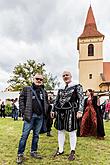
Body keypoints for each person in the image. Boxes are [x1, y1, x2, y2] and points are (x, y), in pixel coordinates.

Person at [51, 71, 84, 161]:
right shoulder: (61, 88)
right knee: (60, 131)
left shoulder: (77, 86)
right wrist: (53, 110)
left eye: (67, 75)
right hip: (60, 111)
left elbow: (81, 99)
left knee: (72, 131)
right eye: (63, 75)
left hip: (72, 111)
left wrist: (80, 110)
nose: (65, 77)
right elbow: (56, 99)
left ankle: (72, 151)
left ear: (71, 76)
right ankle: (61, 150)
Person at [16, 73, 49, 164]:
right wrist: (23, 111)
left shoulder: (44, 91)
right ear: (33, 79)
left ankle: (33, 151)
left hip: (40, 116)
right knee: (24, 135)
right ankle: (20, 154)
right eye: (37, 78)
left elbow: (46, 103)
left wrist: (47, 112)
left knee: (36, 135)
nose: (39, 80)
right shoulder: (26, 89)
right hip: (30, 116)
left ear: (42, 81)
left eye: (41, 79)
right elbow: (21, 100)